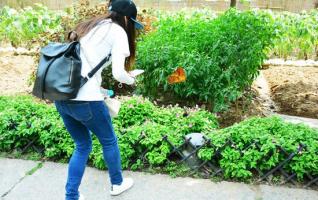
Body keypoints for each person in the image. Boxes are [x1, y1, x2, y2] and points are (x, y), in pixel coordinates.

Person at [54, 0, 144, 199]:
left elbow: (84, 66)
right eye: (132, 23)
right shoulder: (118, 31)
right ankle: (117, 184)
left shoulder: (90, 26)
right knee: (109, 141)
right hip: (87, 100)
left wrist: (100, 88)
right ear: (126, 18)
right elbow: (119, 73)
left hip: (62, 96)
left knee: (82, 145)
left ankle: (71, 196)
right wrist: (131, 80)